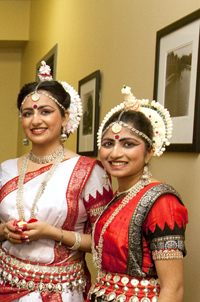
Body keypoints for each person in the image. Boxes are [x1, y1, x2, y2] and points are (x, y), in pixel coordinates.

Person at [0, 62, 113, 302]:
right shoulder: (6, 169)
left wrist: (52, 233)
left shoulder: (88, 171)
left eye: (45, 111)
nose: (35, 120)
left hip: (60, 291)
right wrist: (5, 231)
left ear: (65, 117)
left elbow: (103, 243)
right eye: (27, 113)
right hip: (2, 284)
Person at [88, 86, 188, 302]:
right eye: (108, 144)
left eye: (128, 144)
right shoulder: (121, 196)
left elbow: (174, 288)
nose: (115, 153)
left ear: (149, 151)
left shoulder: (162, 202)